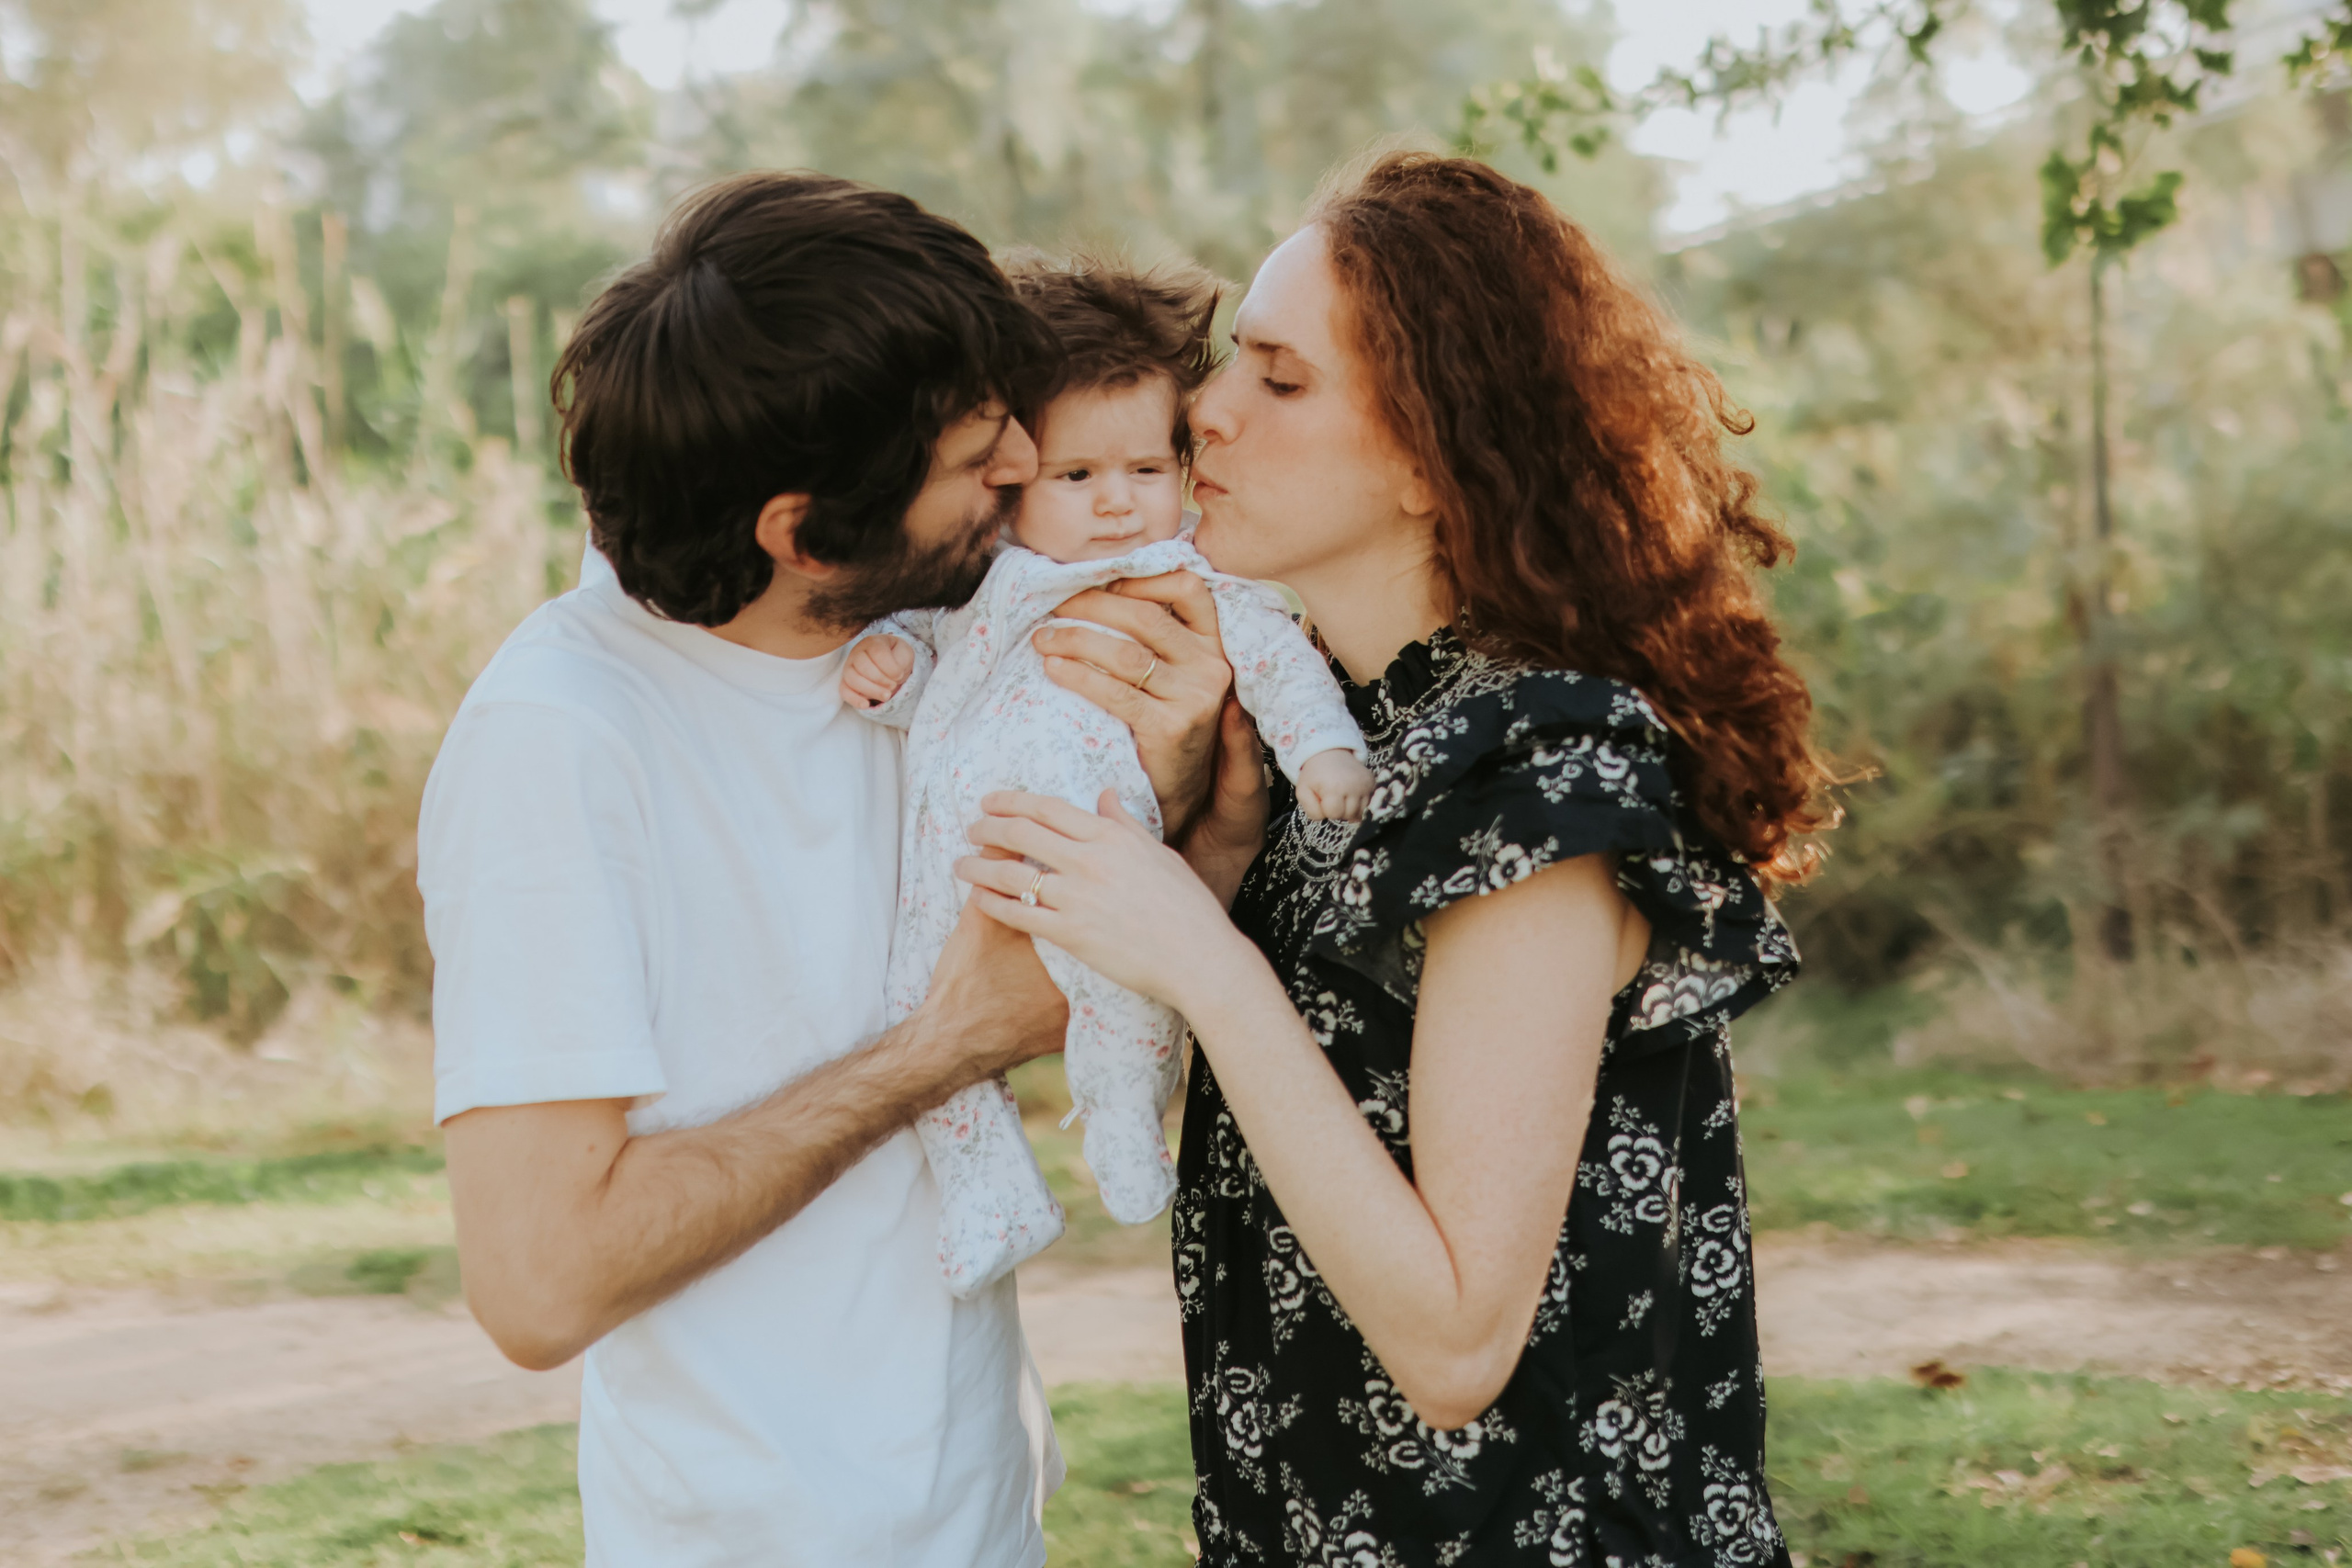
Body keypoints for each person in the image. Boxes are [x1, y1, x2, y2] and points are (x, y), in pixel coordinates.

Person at [954, 152, 1837, 1566]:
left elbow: (1456, 1338)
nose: (1207, 412)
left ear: (1436, 453)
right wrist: (1217, 835)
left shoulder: (1536, 771)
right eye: (1230, 363)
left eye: (1280, 379)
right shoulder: (1350, 735)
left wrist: (1196, 944)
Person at [414, 172, 1235, 1568]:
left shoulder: (939, 642)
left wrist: (1189, 790)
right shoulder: (559, 744)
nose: (1029, 471)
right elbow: (540, 1282)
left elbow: (1086, 971)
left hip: (980, 1512)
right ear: (803, 532)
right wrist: (942, 1048)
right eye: (979, 459)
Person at [839, 256, 1373, 1299]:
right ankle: (988, 1196)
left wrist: (1321, 750)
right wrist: (889, 672)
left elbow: (1276, 664)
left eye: (1146, 470)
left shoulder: (1193, 577)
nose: (1119, 505)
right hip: (964, 851)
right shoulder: (986, 584)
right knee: (917, 1017)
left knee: (1120, 995)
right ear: (1013, 483)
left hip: (1103, 843)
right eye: (1076, 479)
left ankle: (1127, 1121)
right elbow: (938, 684)